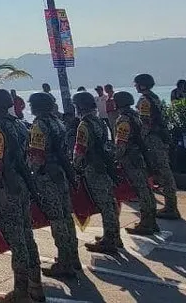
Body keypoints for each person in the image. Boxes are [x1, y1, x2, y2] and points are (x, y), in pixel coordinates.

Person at [0, 88, 43, 302]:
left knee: (17, 242)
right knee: (27, 237)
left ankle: (21, 293)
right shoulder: (20, 125)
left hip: (7, 191)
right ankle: (36, 286)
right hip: (23, 188)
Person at [26, 92, 80, 278]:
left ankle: (64, 263)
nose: (30, 107)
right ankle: (73, 257)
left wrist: (31, 174)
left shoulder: (39, 125)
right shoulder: (58, 122)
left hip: (47, 176)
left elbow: (37, 155)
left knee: (57, 219)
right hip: (61, 174)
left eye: (32, 104)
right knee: (66, 216)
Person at [71, 92, 122, 254]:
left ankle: (110, 239)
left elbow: (80, 149)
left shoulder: (84, 125)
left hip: (93, 167)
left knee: (104, 204)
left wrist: (75, 166)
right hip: (104, 165)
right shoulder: (99, 121)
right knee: (110, 202)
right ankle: (114, 235)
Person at [134, 73, 180, 219]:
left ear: (142, 85)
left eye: (136, 84)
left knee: (162, 172)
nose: (135, 86)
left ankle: (170, 207)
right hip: (159, 137)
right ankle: (170, 205)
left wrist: (140, 139)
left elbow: (145, 122)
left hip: (153, 139)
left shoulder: (145, 100)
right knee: (163, 172)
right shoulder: (154, 97)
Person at [112, 91, 158, 236]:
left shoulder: (123, 119)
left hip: (131, 158)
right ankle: (151, 221)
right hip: (140, 156)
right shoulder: (135, 115)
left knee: (141, 190)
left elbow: (121, 143)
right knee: (146, 190)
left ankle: (146, 223)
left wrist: (115, 159)